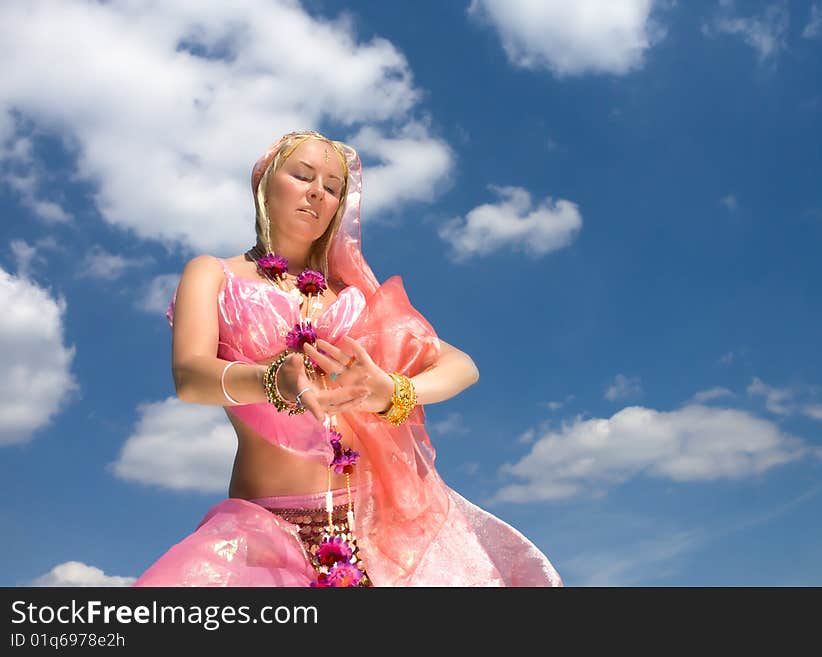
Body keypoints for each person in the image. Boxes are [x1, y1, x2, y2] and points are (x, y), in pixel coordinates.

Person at [133, 131, 562, 587]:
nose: (318, 191)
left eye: (334, 187)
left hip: (376, 534)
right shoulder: (214, 275)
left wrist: (395, 391)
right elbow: (190, 376)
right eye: (302, 175)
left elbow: (462, 366)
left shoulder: (357, 297)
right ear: (264, 183)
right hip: (265, 539)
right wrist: (269, 380)